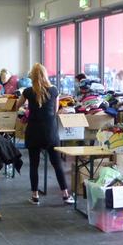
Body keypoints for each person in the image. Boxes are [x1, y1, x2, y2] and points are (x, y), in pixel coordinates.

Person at [17, 63, 75, 205]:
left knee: (34, 165)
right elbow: (54, 111)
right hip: (50, 133)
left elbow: (17, 106)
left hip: (33, 132)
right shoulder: (54, 90)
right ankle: (65, 195)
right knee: (57, 164)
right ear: (45, 75)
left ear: (32, 76)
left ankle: (35, 196)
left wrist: (26, 110)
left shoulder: (28, 92)